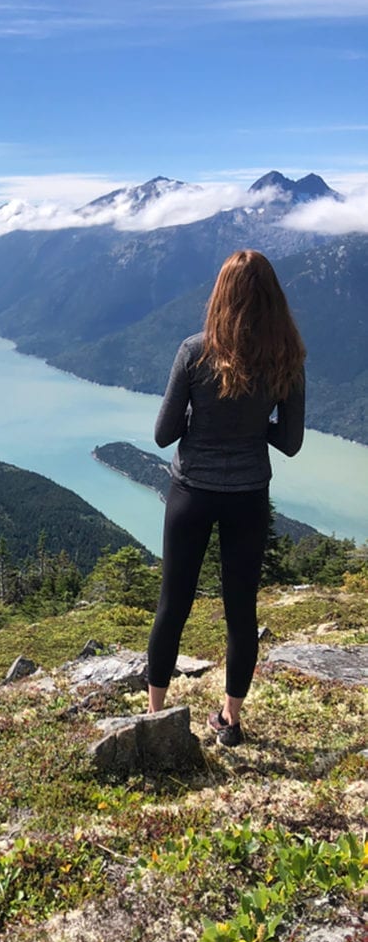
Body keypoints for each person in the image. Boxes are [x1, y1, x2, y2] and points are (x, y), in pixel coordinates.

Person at [146, 249, 306, 746]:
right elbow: (291, 442)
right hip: (248, 498)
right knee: (241, 610)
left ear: (221, 295)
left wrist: (203, 420)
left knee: (173, 603)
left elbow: (163, 434)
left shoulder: (194, 352)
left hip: (191, 491)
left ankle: (156, 715)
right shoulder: (288, 358)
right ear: (273, 299)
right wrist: (256, 424)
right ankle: (230, 721)